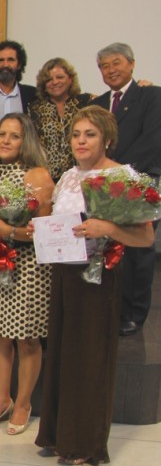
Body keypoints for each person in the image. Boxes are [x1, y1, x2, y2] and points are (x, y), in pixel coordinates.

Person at [35, 105, 155, 466]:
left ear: (106, 138)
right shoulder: (69, 176)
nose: (81, 141)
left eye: (89, 134)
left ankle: (84, 443)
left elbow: (145, 238)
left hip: (99, 278)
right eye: (76, 135)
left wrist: (109, 230)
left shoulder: (122, 175)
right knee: (61, 353)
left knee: (89, 359)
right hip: (64, 275)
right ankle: (58, 435)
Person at [0, 113, 54, 434]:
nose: (5, 140)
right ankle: (1, 399)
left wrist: (5, 229)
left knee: (27, 338)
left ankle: (23, 403)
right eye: (2, 134)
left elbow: (43, 230)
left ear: (27, 141)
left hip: (30, 265)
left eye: (14, 136)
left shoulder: (38, 175)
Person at [91, 43, 161, 337]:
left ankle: (134, 313)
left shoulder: (151, 95)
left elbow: (153, 139)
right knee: (108, 248)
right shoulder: (98, 103)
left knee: (137, 251)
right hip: (105, 186)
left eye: (116, 63)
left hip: (139, 182)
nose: (111, 70)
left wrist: (117, 172)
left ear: (131, 64)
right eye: (105, 66)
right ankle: (112, 309)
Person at [28, 58, 92, 181]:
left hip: (81, 175)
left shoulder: (85, 103)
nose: (55, 82)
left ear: (70, 79)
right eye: (49, 79)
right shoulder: (34, 109)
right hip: (47, 178)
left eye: (60, 77)